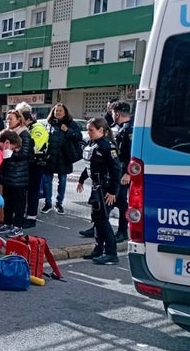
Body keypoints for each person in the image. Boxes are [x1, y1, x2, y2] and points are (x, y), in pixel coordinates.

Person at [76, 118, 122, 265]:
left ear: (101, 130)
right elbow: (90, 165)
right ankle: (98, 249)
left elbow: (116, 169)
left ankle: (111, 253)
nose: (88, 132)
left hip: (106, 188)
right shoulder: (93, 144)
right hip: (97, 187)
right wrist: (82, 179)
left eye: (91, 130)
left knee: (102, 220)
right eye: (88, 129)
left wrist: (113, 191)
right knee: (97, 219)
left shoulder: (107, 146)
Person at [41, 103, 83, 215]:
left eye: (60, 110)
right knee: (48, 181)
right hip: (50, 156)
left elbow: (78, 137)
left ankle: (59, 203)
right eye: (56, 110)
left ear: (65, 113)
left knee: (62, 180)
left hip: (64, 157)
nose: (58, 112)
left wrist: (67, 131)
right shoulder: (49, 124)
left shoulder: (71, 124)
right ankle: (48, 203)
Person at [0, 110, 32, 237]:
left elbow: (25, 154)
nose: (8, 121)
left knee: (19, 202)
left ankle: (18, 226)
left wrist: (9, 154)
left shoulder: (24, 134)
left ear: (18, 119)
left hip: (19, 175)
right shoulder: (8, 133)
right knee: (8, 201)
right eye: (7, 119)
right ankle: (7, 223)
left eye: (11, 119)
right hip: (7, 173)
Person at [16, 103, 49, 229]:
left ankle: (31, 217)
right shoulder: (27, 128)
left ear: (28, 118)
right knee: (26, 191)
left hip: (36, 163)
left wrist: (21, 149)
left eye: (21, 118)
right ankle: (25, 214)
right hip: (28, 163)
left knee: (33, 191)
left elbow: (35, 147)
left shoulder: (38, 128)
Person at [111, 101, 133, 242]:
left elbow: (132, 153)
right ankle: (97, 226)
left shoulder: (129, 129)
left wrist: (128, 173)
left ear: (117, 114)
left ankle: (122, 231)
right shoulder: (119, 128)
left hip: (123, 171)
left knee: (121, 201)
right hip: (117, 169)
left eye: (113, 113)